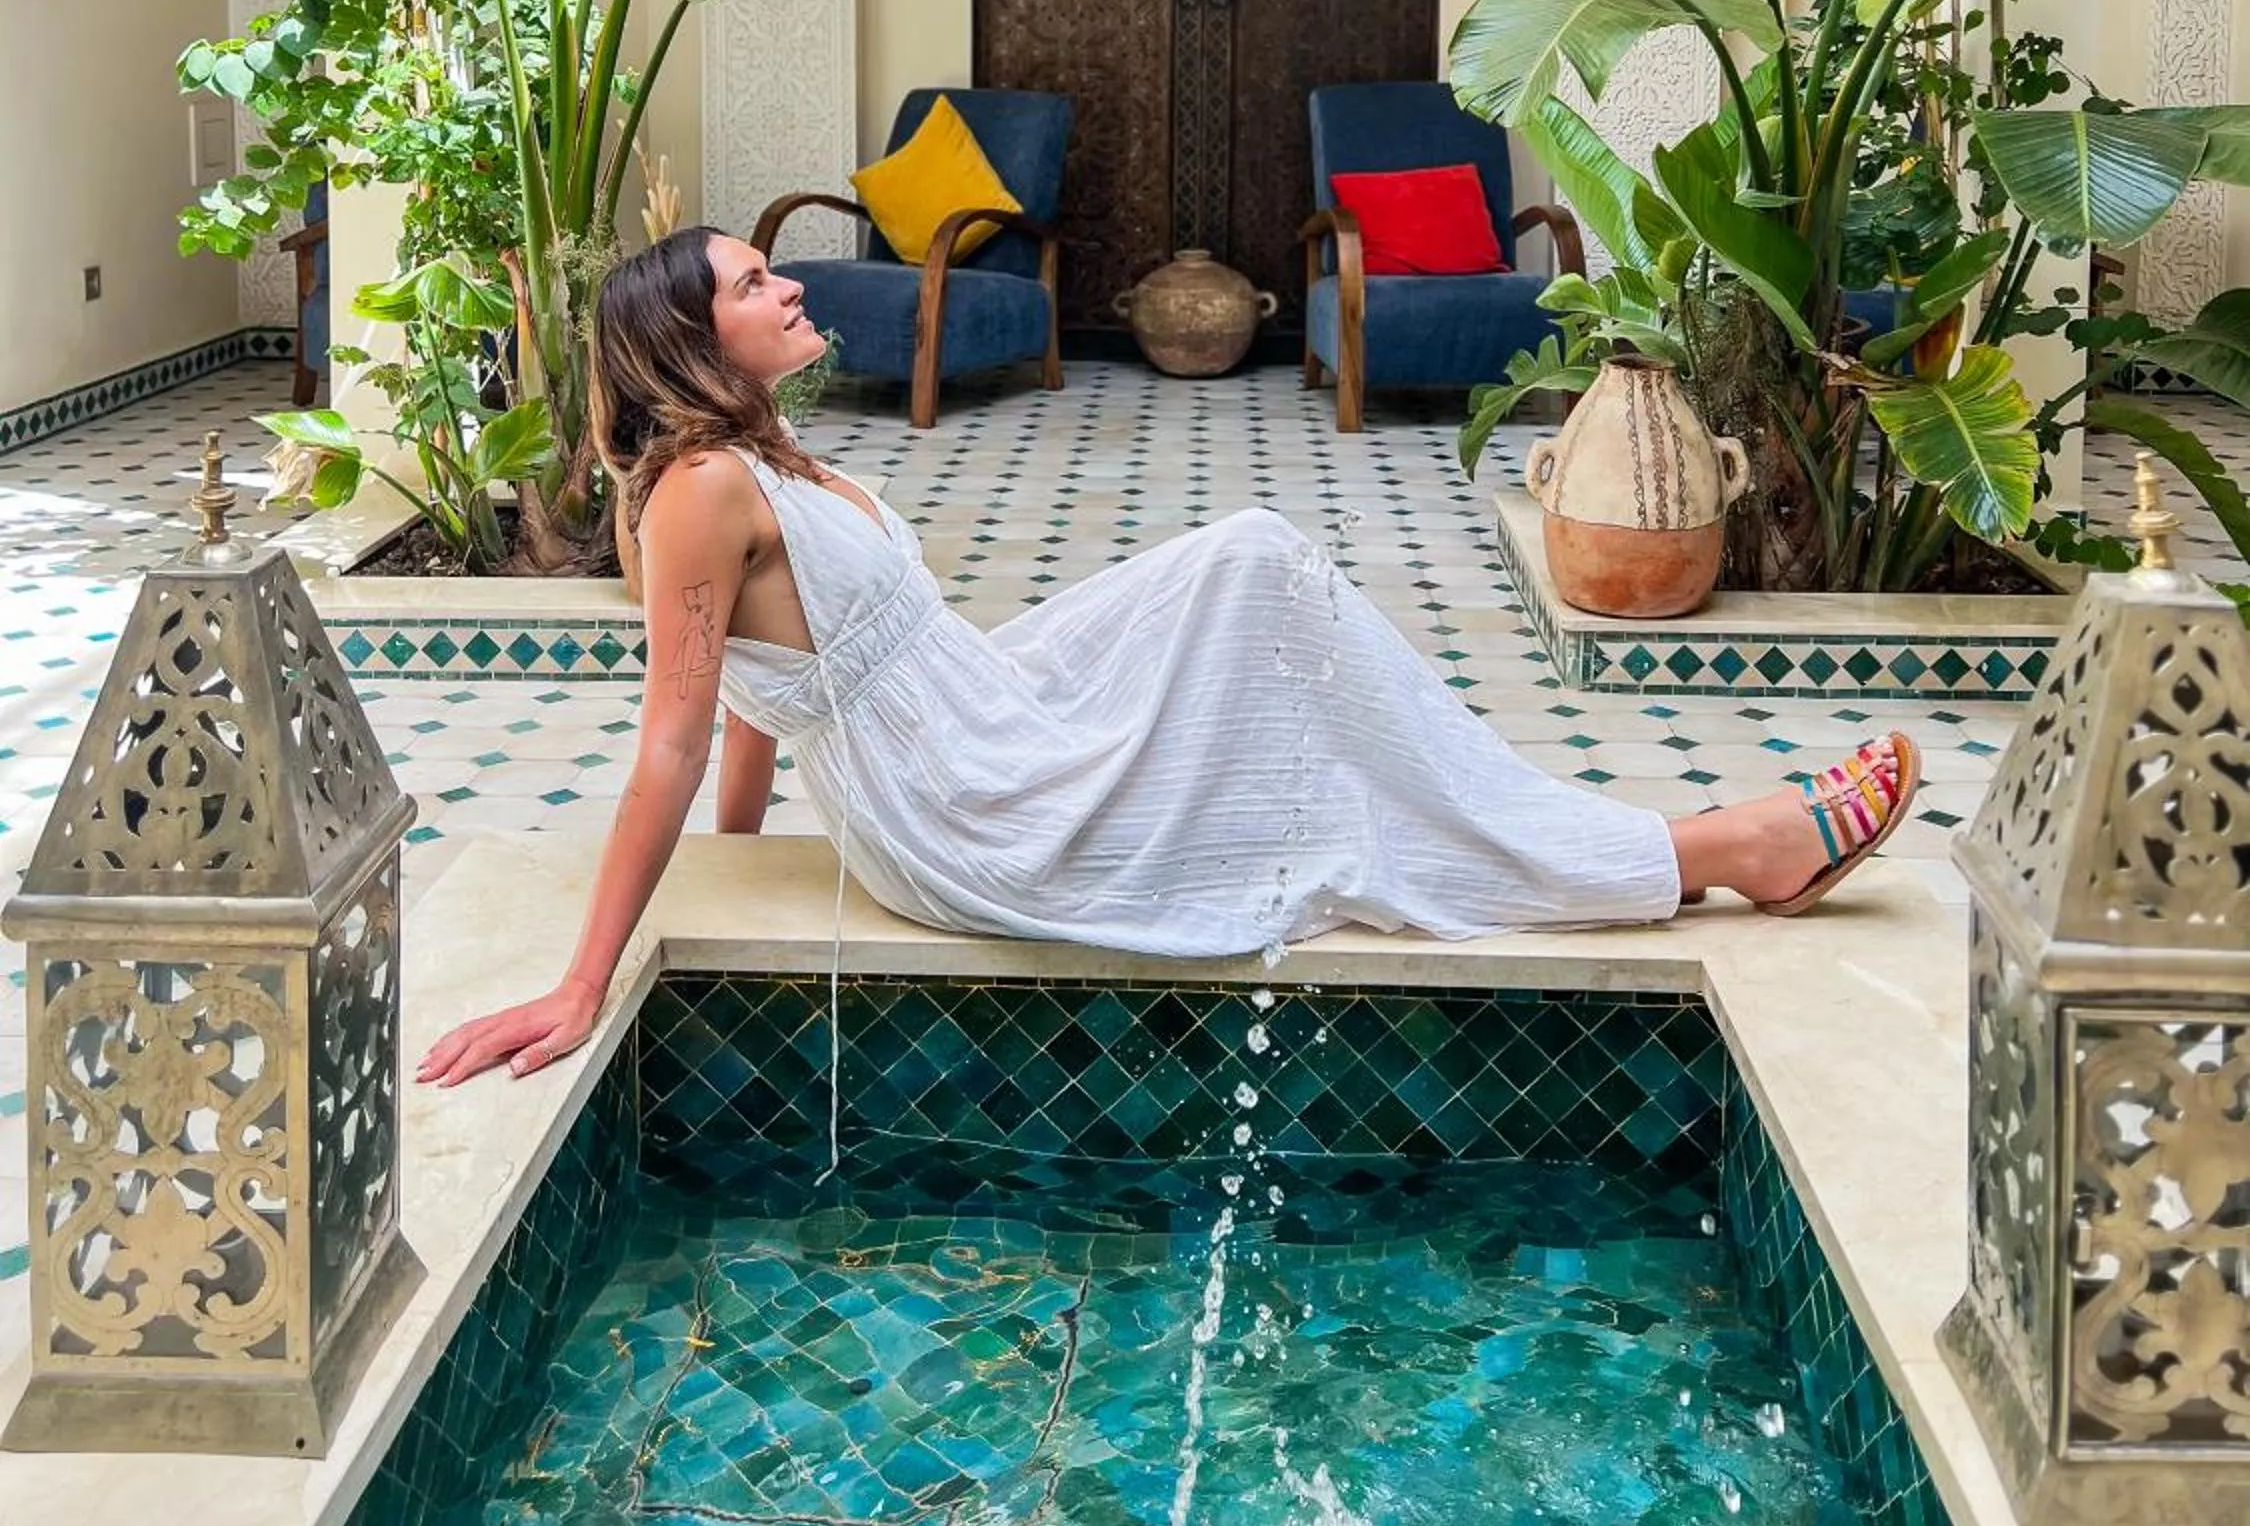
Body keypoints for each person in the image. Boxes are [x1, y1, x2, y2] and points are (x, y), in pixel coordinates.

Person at [418, 229, 1919, 1089]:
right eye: (756, 285)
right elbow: (683, 733)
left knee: (1267, 602)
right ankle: (1713, 849)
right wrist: (590, 977)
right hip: (966, 798)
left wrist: (741, 875)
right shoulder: (694, 492)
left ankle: (1654, 840)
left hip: (981, 705)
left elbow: (760, 690)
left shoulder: (753, 455)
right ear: (690, 335)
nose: (793, 288)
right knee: (1270, 608)